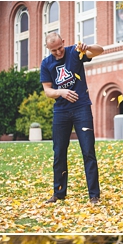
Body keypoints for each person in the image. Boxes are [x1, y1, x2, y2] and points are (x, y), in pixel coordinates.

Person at [40, 33, 102, 205]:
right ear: (48, 49)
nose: (58, 52)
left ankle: (94, 195)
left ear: (64, 42)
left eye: (60, 48)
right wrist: (61, 92)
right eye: (54, 50)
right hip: (61, 112)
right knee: (59, 152)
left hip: (82, 108)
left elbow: (100, 50)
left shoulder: (75, 52)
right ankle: (58, 193)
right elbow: (48, 91)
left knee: (88, 150)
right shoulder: (46, 64)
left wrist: (87, 48)